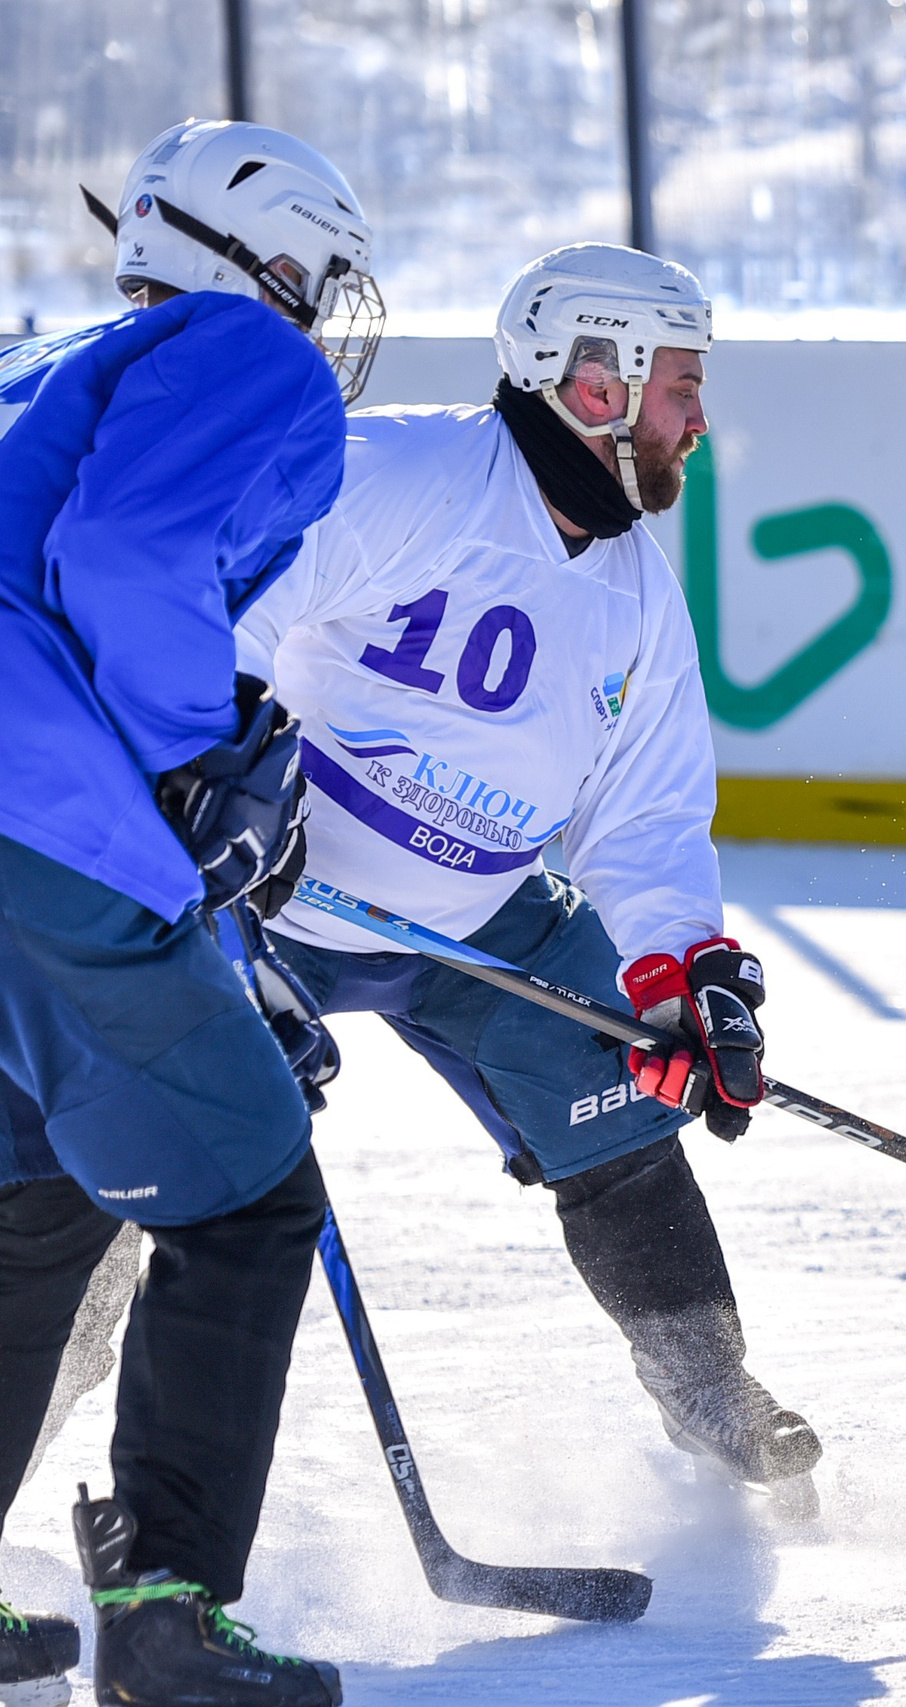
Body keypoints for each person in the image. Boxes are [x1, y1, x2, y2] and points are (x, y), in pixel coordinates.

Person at [226, 242, 820, 1510]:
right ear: (592, 382)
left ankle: (710, 1395)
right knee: (142, 1157)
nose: (699, 423)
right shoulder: (399, 473)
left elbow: (648, 816)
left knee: (619, 1110)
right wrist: (222, 790)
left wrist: (685, 976)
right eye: (681, 389)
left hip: (484, 921)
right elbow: (233, 610)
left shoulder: (637, 598)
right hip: (266, 900)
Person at [0, 118, 382, 1707]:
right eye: (314, 273)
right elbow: (127, 549)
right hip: (43, 822)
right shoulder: (236, 347)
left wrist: (200, 728)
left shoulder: (35, 356)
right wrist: (184, 762)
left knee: (30, 1213)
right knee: (246, 1201)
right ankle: (163, 1608)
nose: (321, 311)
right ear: (257, 258)